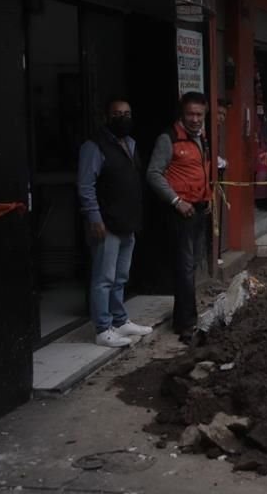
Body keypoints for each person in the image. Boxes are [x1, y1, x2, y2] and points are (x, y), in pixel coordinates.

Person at [77, 99, 153, 348]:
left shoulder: (130, 144)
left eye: (127, 114)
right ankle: (102, 328)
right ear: (107, 117)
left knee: (121, 276)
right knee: (103, 278)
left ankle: (119, 320)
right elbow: (86, 186)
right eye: (117, 114)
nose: (123, 118)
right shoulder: (94, 147)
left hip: (127, 221)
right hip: (106, 224)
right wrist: (94, 218)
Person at [147, 92, 213, 341]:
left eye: (199, 114)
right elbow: (153, 174)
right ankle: (188, 325)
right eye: (190, 114)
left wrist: (206, 199)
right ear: (182, 114)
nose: (195, 119)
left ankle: (181, 319)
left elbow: (200, 172)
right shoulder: (169, 139)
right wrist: (176, 201)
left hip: (197, 208)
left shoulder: (200, 138)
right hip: (179, 211)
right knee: (185, 268)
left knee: (192, 265)